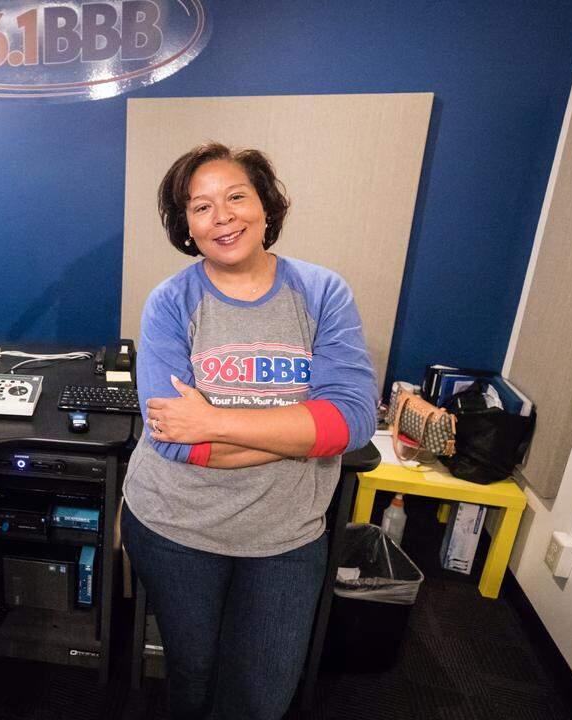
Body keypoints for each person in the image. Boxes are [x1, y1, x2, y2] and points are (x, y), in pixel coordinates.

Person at [121, 142, 377, 720]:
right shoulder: (171, 301)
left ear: (266, 205)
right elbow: (171, 438)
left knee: (261, 695)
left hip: (285, 536)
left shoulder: (321, 292)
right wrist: (298, 434)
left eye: (236, 196)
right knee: (193, 672)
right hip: (175, 526)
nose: (223, 216)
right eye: (200, 206)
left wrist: (213, 420)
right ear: (186, 225)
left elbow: (353, 421)